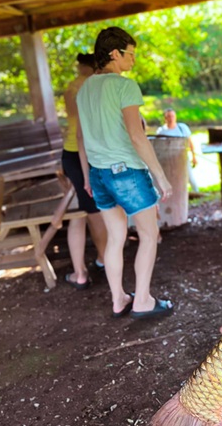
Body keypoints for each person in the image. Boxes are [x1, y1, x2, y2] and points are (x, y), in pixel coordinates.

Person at [76, 27, 174, 319]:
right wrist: (160, 176)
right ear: (115, 54)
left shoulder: (84, 89)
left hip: (99, 174)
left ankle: (119, 299)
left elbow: (81, 139)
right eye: (130, 54)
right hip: (127, 172)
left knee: (116, 237)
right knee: (148, 234)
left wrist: (85, 177)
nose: (133, 60)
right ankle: (142, 300)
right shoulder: (124, 86)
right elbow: (137, 135)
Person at [56, 53, 108, 289]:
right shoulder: (90, 85)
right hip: (81, 153)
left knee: (87, 209)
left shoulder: (75, 86)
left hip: (78, 153)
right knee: (92, 209)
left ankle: (92, 264)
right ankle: (103, 260)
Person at [156, 107, 200, 193]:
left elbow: (190, 143)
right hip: (168, 159)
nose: (171, 118)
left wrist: (194, 156)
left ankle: (197, 192)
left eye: (172, 116)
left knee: (190, 177)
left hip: (182, 157)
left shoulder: (182, 128)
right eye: (168, 116)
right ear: (165, 118)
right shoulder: (161, 131)